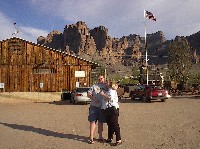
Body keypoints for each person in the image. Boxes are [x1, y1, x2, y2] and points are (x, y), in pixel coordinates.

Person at [100, 82, 122, 146]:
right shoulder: (108, 91)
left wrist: (103, 94)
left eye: (107, 83)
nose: (105, 84)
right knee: (110, 124)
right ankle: (110, 138)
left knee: (115, 124)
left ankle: (118, 139)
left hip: (112, 109)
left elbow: (110, 98)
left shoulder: (112, 90)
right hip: (108, 109)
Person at [87, 75, 107, 144]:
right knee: (92, 121)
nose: (100, 80)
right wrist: (93, 98)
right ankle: (91, 137)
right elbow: (88, 94)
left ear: (104, 79)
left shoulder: (106, 86)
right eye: (99, 79)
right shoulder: (94, 86)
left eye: (101, 78)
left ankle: (100, 136)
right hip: (94, 106)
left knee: (101, 122)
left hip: (102, 107)